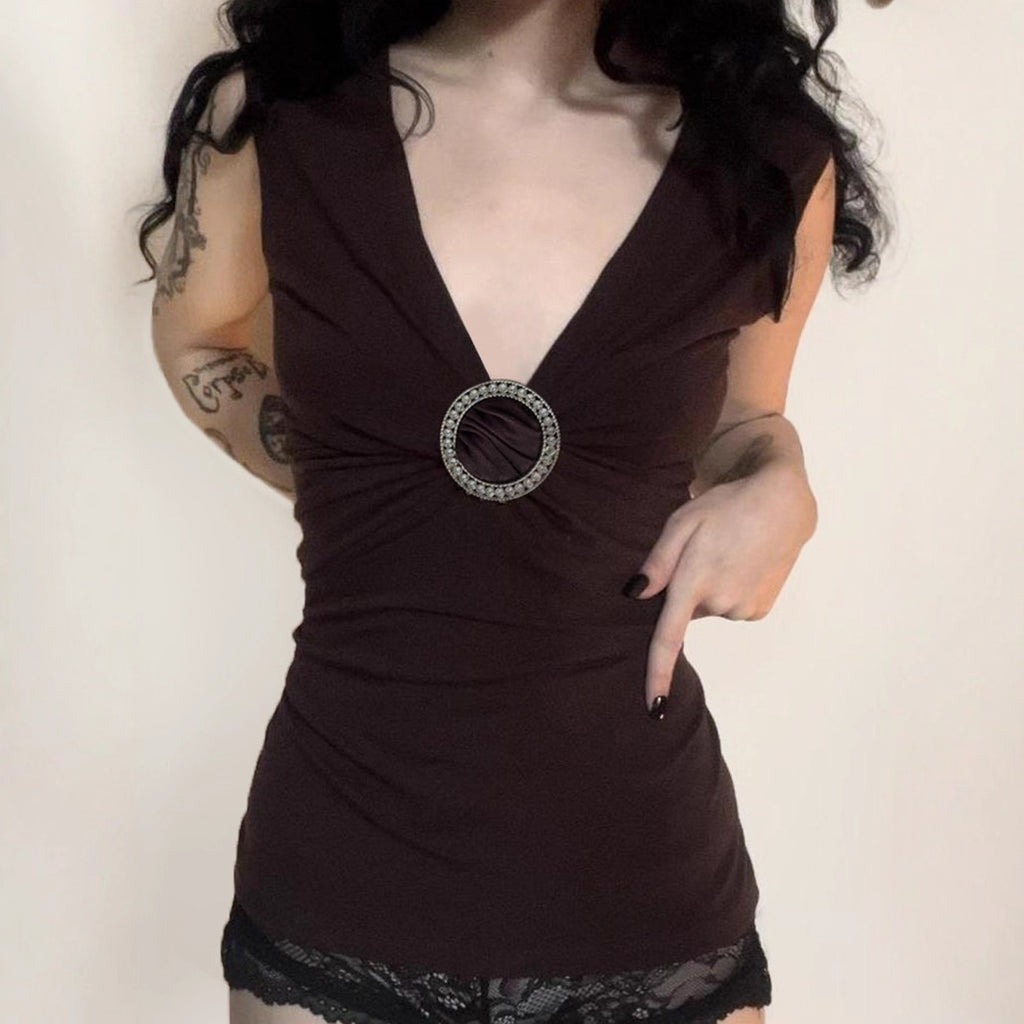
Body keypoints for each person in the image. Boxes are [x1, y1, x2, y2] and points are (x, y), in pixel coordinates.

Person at [138, 2, 891, 1022]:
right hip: (344, 856)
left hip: (642, 876)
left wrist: (780, 477)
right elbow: (201, 336)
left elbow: (746, 417)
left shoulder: (763, 151)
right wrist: (358, 490)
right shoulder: (273, 112)